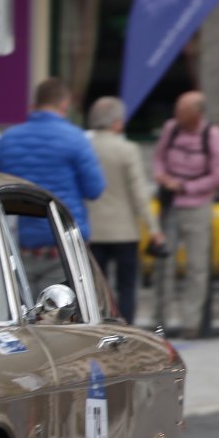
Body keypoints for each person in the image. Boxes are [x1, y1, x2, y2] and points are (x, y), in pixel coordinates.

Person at [0, 78, 106, 249]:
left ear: (35, 104)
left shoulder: (7, 140)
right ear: (65, 104)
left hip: (21, 240)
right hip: (68, 237)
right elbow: (94, 189)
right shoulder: (76, 138)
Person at [149, 91, 219, 337]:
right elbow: (158, 158)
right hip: (170, 204)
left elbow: (218, 175)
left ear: (197, 113)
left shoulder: (212, 134)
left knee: (197, 266)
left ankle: (191, 322)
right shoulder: (171, 129)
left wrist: (186, 186)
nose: (177, 114)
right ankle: (159, 320)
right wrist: (162, 176)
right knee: (164, 262)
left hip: (197, 204)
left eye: (182, 111)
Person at [85, 96, 159, 325]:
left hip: (93, 229)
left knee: (96, 288)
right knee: (126, 286)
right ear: (117, 122)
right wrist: (153, 228)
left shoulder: (85, 147)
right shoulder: (128, 149)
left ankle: (99, 326)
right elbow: (139, 192)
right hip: (124, 230)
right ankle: (127, 327)